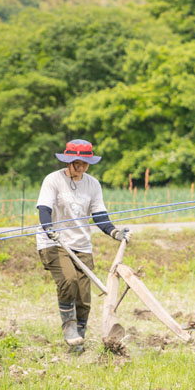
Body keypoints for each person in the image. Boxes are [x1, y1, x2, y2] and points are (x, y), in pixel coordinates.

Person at [36, 139, 130, 350]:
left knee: (84, 298)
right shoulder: (52, 180)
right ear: (68, 161)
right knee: (69, 281)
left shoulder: (92, 184)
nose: (80, 167)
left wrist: (114, 232)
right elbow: (44, 208)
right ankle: (69, 326)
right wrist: (49, 228)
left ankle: (78, 342)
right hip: (53, 242)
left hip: (81, 244)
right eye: (76, 162)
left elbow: (99, 215)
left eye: (84, 163)